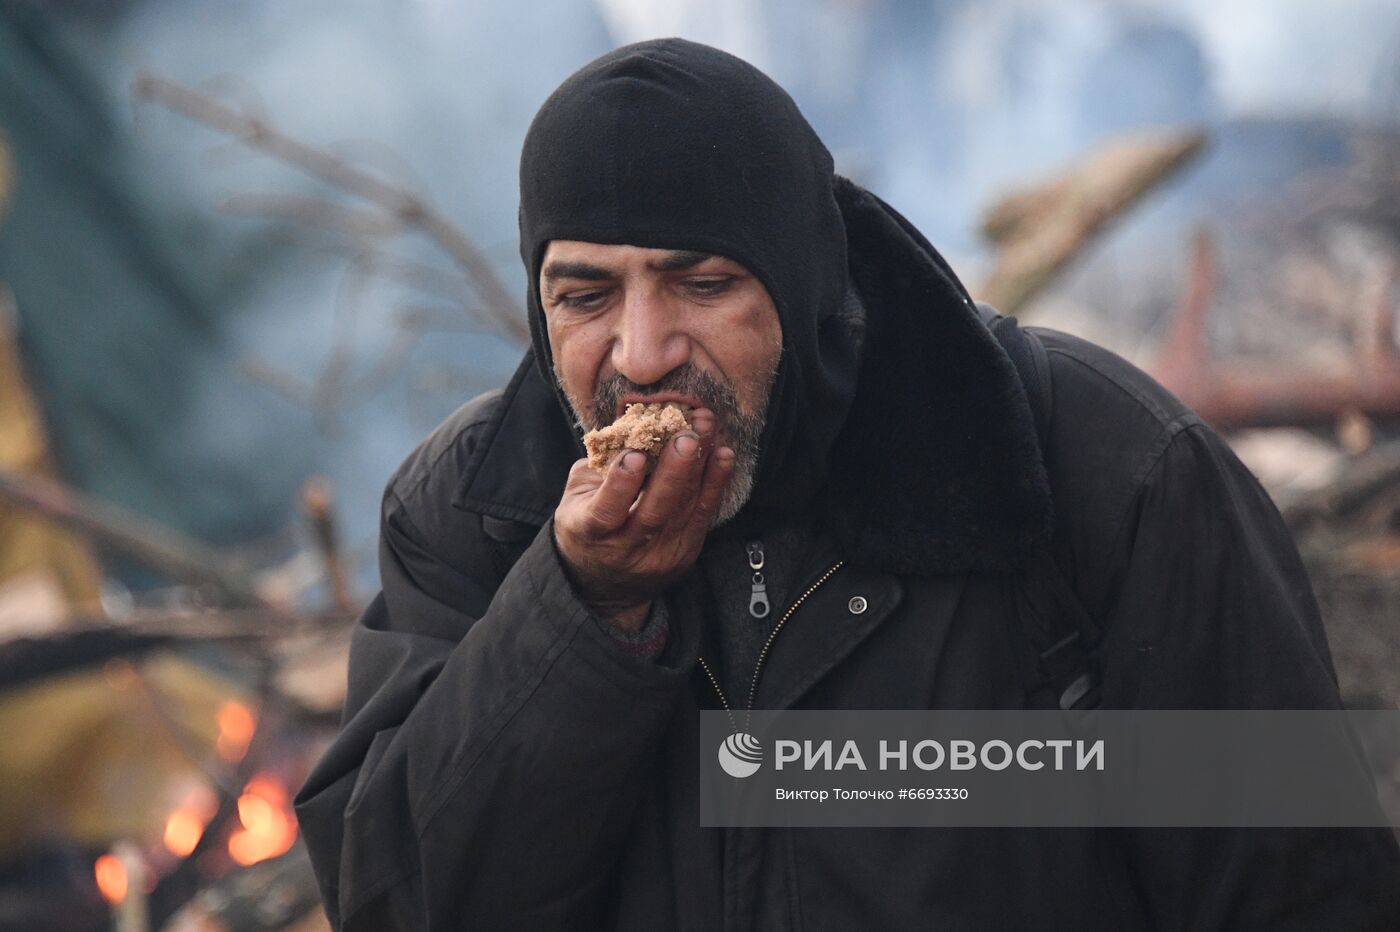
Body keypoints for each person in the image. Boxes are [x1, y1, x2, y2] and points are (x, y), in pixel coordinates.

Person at [294, 38, 1400, 930]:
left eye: (702, 281)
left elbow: (1298, 885)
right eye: (584, 295)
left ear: (804, 278)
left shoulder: (1091, 467)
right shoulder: (471, 511)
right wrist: (580, 610)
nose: (638, 350)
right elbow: (402, 903)